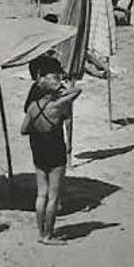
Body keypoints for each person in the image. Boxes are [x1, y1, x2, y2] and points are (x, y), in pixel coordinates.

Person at [21, 55, 80, 245]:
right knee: (54, 196)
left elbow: (23, 129)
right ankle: (48, 235)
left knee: (41, 193)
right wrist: (60, 90)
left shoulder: (32, 106)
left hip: (37, 145)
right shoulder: (58, 106)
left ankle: (40, 233)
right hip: (55, 147)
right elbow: (77, 91)